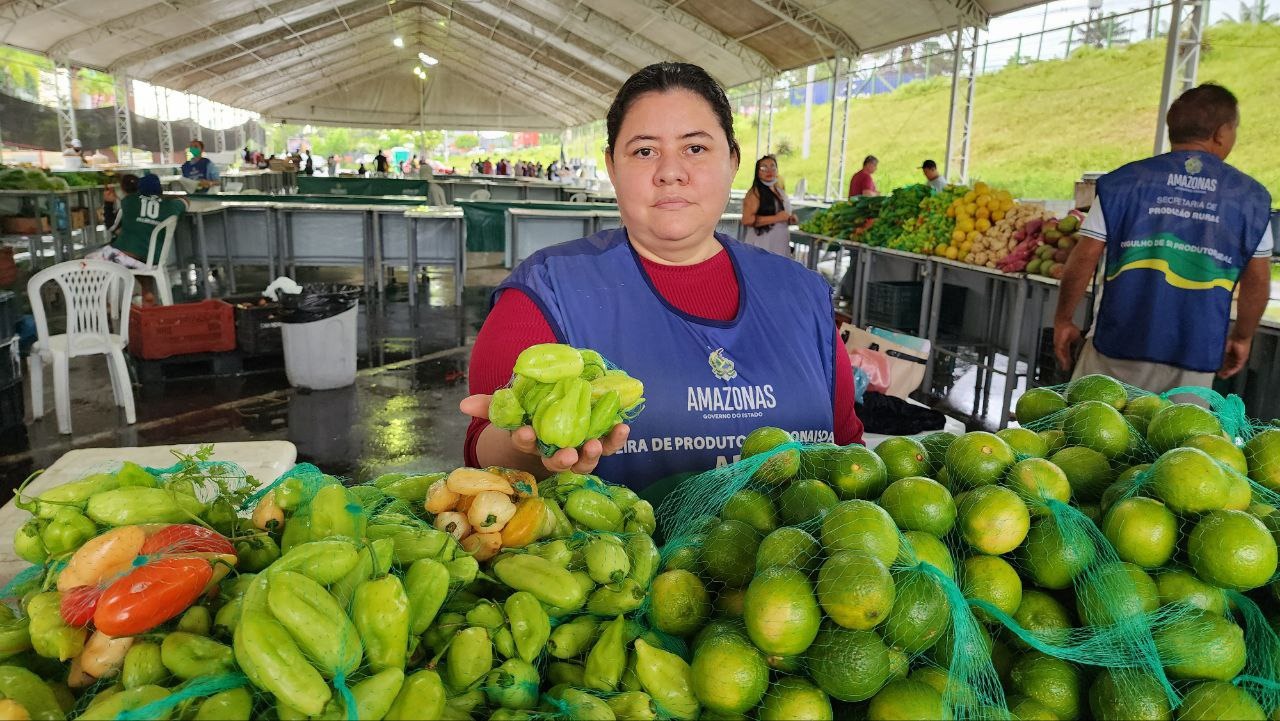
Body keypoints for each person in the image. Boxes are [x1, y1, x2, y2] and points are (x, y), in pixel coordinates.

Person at [460, 62, 863, 495]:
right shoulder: (546, 291)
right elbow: (483, 454)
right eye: (645, 151)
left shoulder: (801, 294)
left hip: (791, 559)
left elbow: (848, 447)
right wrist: (530, 449)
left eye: (695, 148)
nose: (670, 171)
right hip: (626, 560)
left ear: (732, 161)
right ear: (612, 167)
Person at [1054, 83, 1272, 395]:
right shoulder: (1250, 198)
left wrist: (1064, 319)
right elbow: (1257, 281)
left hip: (1118, 344)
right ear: (1222, 133)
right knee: (1174, 439)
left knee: (1087, 434)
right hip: (1194, 353)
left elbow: (1085, 256)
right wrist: (1242, 336)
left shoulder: (1124, 183)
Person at [87, 174, 187, 270]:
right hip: (152, 260)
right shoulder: (171, 206)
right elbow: (185, 201)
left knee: (86, 261)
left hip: (125, 257)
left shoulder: (129, 202)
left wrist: (108, 203)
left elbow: (113, 227)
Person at [741, 155, 798, 256]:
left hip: (780, 243)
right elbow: (747, 220)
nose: (769, 171)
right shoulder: (754, 193)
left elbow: (782, 215)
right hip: (761, 244)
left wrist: (789, 218)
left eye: (773, 167)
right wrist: (776, 218)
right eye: (764, 168)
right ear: (757, 172)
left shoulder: (780, 192)